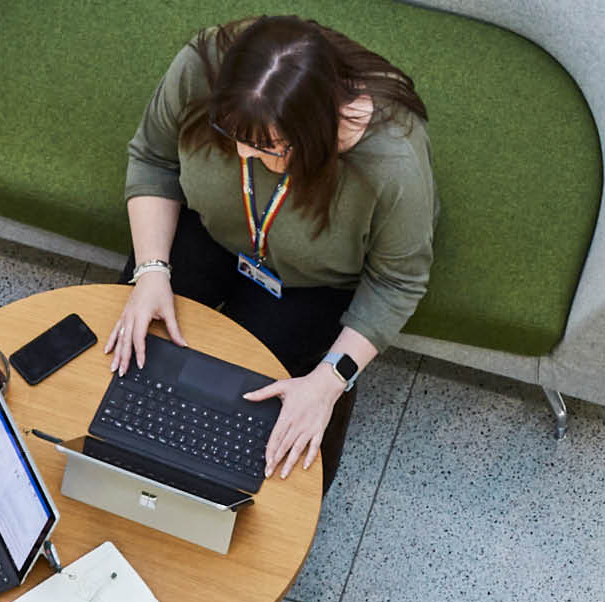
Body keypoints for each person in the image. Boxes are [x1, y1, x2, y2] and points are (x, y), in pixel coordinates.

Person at [107, 16, 436, 492]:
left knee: (253, 430)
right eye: (231, 131)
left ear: (317, 134)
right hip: (208, 234)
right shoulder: (203, 68)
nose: (242, 154)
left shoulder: (393, 162)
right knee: (126, 360)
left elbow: (396, 282)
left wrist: (329, 380)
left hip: (312, 283)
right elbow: (154, 159)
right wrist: (152, 271)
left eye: (264, 145)